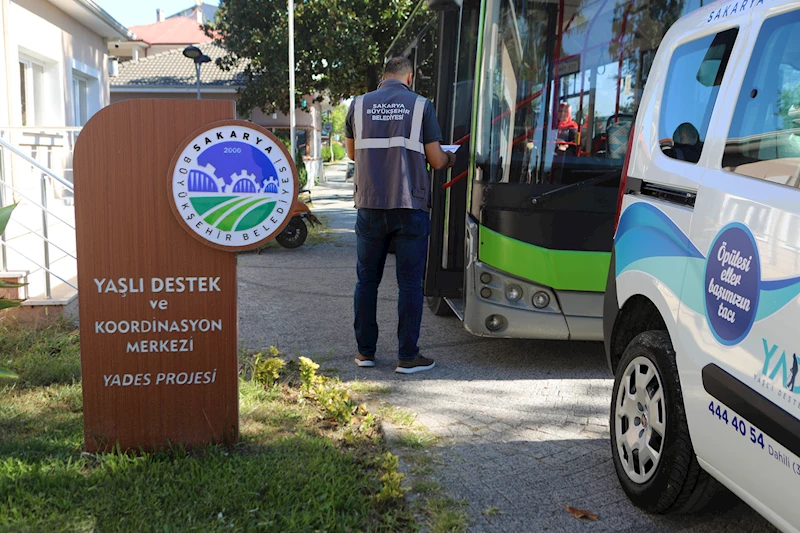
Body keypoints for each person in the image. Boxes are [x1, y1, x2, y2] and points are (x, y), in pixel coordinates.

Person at [345, 57, 456, 374]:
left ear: (383, 77)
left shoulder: (358, 105)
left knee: (366, 282)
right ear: (409, 76)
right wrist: (449, 158)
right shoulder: (421, 105)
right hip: (410, 205)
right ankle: (407, 357)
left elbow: (353, 154)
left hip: (369, 204)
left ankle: (365, 353)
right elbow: (435, 161)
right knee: (409, 285)